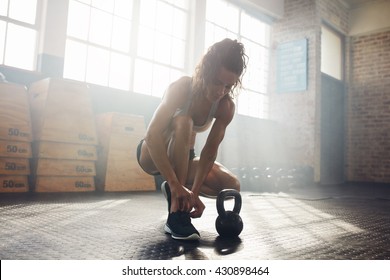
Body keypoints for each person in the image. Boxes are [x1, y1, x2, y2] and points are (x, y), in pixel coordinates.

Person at [136, 38, 248, 241]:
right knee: (184, 121)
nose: (220, 91)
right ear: (205, 72)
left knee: (231, 184)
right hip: (152, 153)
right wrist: (174, 183)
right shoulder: (182, 87)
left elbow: (209, 152)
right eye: (216, 82)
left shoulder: (226, 106)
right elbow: (151, 136)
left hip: (183, 159)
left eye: (228, 86)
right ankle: (176, 216)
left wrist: (194, 193)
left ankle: (177, 193)